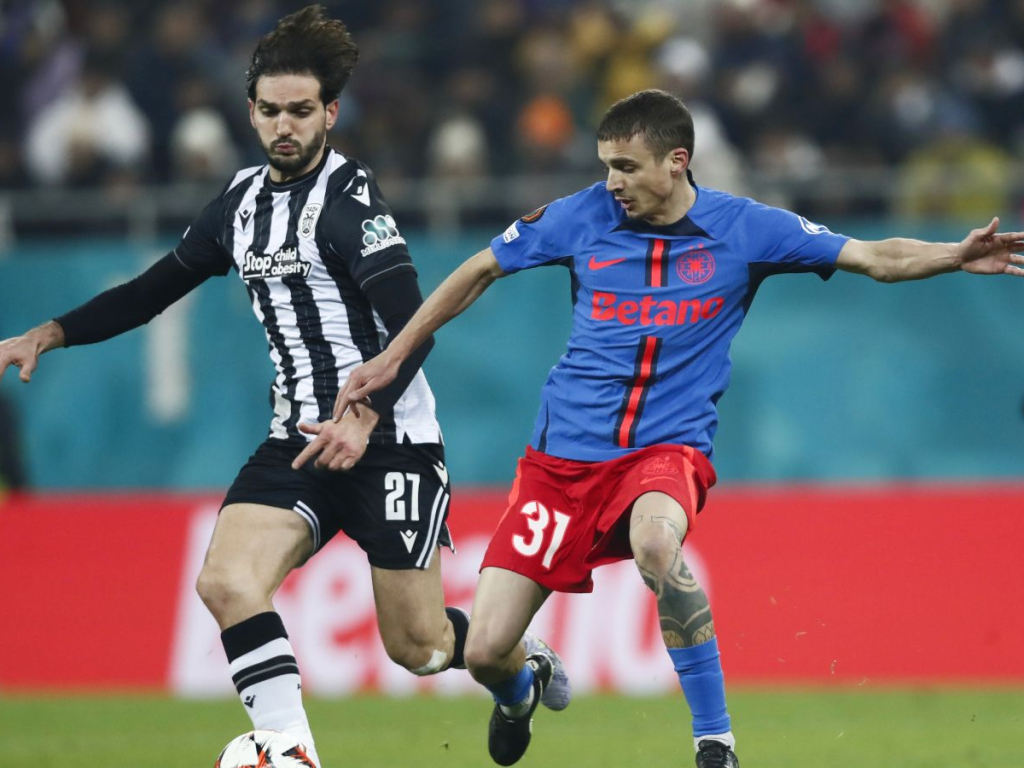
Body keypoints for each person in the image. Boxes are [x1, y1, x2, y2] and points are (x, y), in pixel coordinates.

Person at [332, 89, 1024, 768]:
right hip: (559, 462)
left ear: (677, 161)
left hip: (663, 451)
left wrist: (954, 255)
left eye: (626, 167)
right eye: (607, 166)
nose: (612, 182)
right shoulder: (581, 216)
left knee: (657, 546)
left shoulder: (746, 229)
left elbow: (874, 257)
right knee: (484, 651)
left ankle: (714, 743)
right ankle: (520, 687)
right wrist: (394, 355)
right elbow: (482, 267)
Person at [0, 7, 490, 766]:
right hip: (297, 439)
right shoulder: (238, 204)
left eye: (301, 110)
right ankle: (292, 751)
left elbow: (415, 326)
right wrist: (50, 333)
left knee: (420, 648)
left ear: (331, 112)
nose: (285, 126)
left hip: (389, 441)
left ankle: (517, 660)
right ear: (251, 112)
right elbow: (151, 292)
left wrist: (363, 416)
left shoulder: (350, 203)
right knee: (227, 582)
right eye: (271, 111)